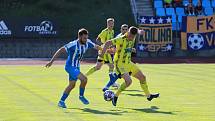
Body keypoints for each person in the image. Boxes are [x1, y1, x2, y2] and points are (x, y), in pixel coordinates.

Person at [99, 26, 160, 106]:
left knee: (143, 77)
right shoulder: (121, 39)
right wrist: (102, 54)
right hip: (119, 64)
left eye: (133, 37)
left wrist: (139, 31)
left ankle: (148, 96)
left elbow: (135, 30)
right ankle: (115, 96)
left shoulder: (133, 36)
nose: (132, 38)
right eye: (131, 36)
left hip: (128, 63)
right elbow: (107, 43)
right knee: (129, 81)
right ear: (127, 33)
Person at [45, 28, 101, 108]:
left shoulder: (87, 42)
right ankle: (81, 96)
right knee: (84, 79)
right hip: (70, 67)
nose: (86, 39)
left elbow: (97, 47)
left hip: (76, 67)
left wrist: (107, 50)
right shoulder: (73, 44)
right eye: (84, 38)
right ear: (79, 37)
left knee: (72, 85)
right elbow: (61, 50)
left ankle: (61, 102)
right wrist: (51, 61)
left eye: (87, 37)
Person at [85, 18, 118, 89]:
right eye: (110, 23)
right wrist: (103, 46)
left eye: (112, 23)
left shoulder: (112, 31)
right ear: (107, 24)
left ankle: (84, 76)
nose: (111, 25)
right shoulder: (104, 31)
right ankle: (112, 82)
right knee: (111, 66)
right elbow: (97, 39)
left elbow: (110, 41)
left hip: (105, 51)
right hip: (104, 51)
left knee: (98, 67)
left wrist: (112, 47)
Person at [102, 24, 129, 91]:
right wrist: (109, 50)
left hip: (126, 60)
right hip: (119, 60)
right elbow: (112, 46)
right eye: (123, 29)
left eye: (126, 29)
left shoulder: (129, 37)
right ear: (121, 29)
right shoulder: (119, 37)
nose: (125, 31)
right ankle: (108, 86)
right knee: (121, 75)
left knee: (118, 74)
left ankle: (108, 84)